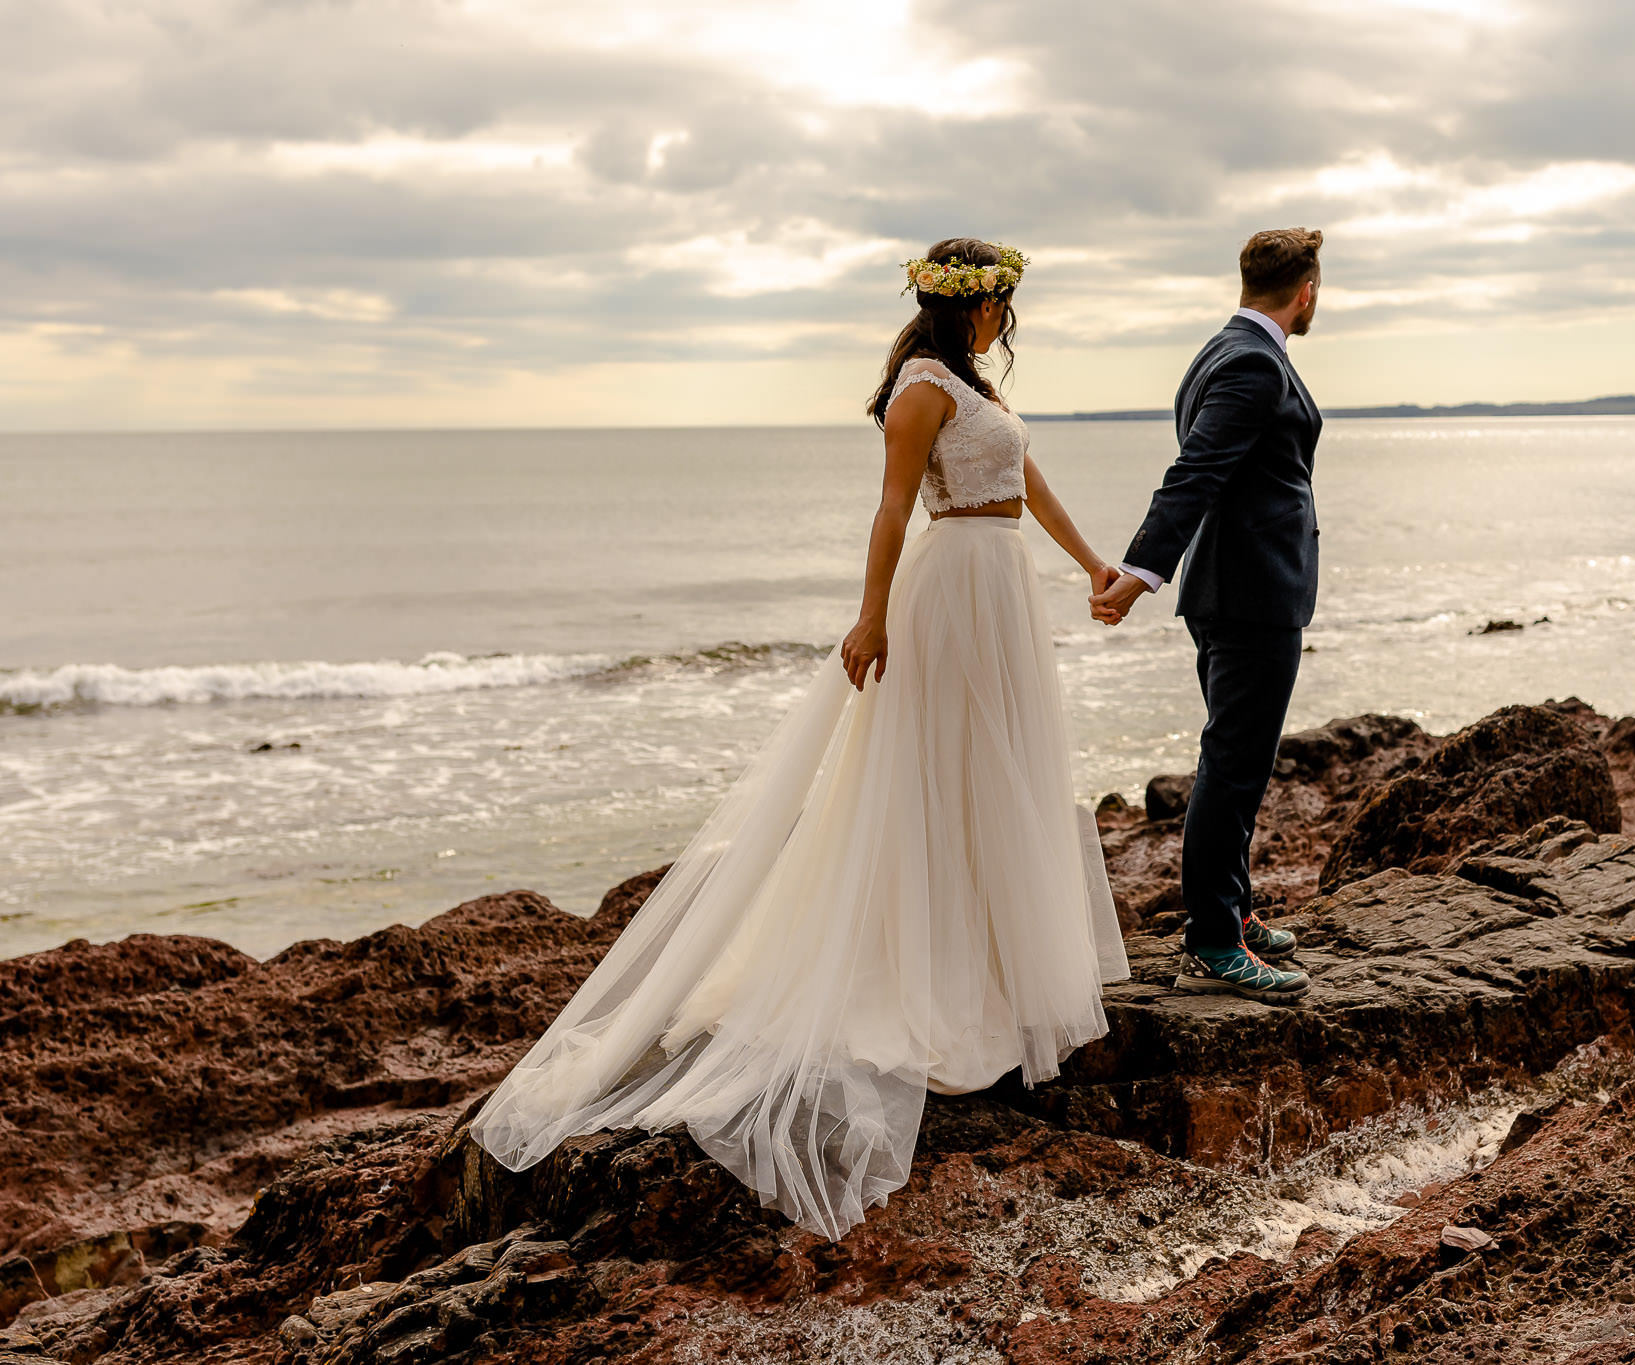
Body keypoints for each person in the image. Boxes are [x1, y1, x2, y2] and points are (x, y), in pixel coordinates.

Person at [471, 237, 1129, 1240]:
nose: (1006, 316)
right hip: (951, 589)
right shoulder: (919, 391)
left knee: (998, 776)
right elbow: (889, 512)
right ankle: (929, 969)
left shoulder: (972, 385)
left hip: (1000, 588)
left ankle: (988, 960)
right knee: (942, 775)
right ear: (971, 305)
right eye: (1000, 301)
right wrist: (869, 619)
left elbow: (1025, 483)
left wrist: (1091, 566)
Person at [1090, 228, 1325, 1006]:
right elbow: (1193, 473)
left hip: (1233, 587)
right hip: (1251, 594)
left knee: (1239, 760)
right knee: (1232, 765)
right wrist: (1137, 573)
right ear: (1307, 290)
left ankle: (1235, 910)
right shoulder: (1255, 364)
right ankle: (1214, 943)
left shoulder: (1216, 351)